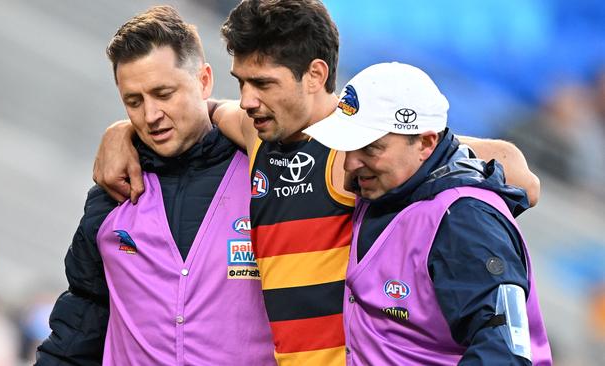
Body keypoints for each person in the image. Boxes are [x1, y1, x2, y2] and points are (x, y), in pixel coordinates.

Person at [93, 1, 541, 364]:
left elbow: (510, 168)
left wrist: (484, 182)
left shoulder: (358, 146)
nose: (248, 99)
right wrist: (123, 130)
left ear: (316, 76)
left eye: (263, 84)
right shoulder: (256, 132)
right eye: (242, 83)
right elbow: (204, 113)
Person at [36, 6, 275, 365]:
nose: (150, 116)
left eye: (164, 94)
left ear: (204, 81)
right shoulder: (111, 194)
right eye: (133, 102)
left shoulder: (265, 174)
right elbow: (80, 324)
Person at [303, 62, 552, 365]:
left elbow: (505, 353)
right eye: (349, 145)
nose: (350, 163)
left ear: (425, 142)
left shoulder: (466, 221)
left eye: (370, 148)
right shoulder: (388, 185)